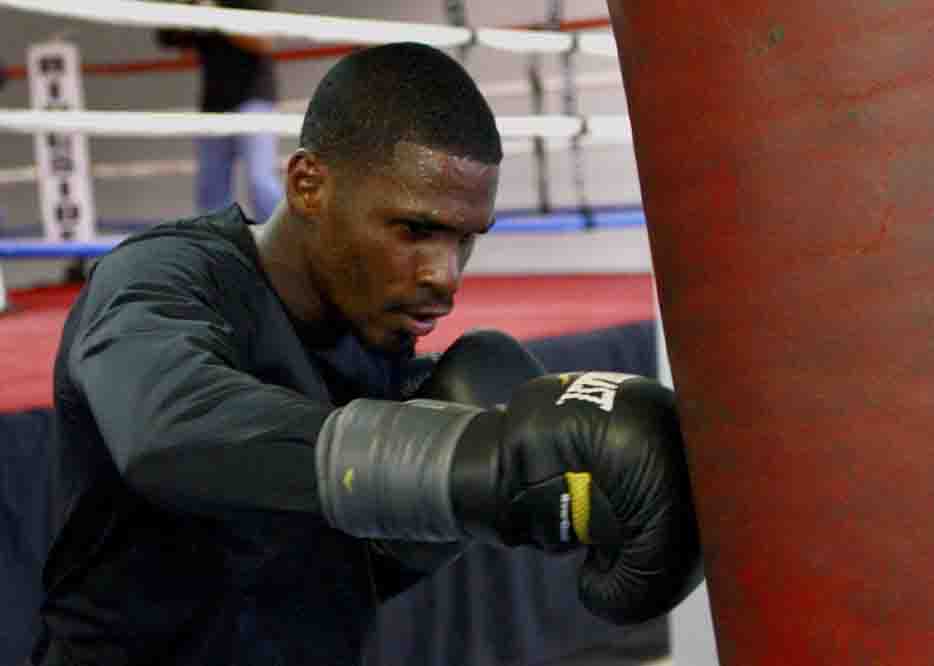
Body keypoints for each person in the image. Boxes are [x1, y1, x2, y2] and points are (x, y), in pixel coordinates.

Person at [32, 42, 701, 666]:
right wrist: (484, 460)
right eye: (415, 229)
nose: (445, 276)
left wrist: (545, 497)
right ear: (308, 185)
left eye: (465, 239)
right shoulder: (161, 279)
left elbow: (326, 575)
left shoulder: (379, 341)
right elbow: (165, 430)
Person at [156, 0, 282, 221]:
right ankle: (216, 243)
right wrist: (190, 15)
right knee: (211, 192)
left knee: (260, 182)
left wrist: (217, 17)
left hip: (254, 98)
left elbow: (264, 42)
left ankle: (290, 239)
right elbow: (169, 39)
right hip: (213, 104)